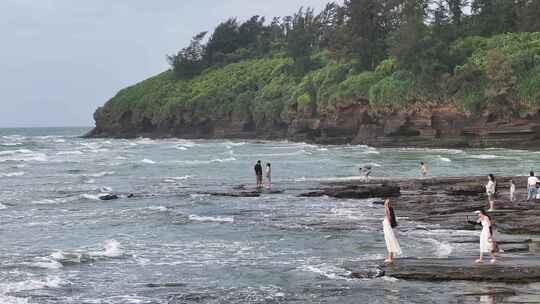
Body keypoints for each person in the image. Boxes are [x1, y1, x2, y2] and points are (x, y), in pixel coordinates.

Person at [383, 199, 402, 264]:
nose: (385, 204)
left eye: (386, 203)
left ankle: (390, 258)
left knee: (389, 242)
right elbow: (391, 218)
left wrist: (388, 225)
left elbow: (389, 218)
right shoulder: (391, 209)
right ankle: (390, 257)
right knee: (391, 241)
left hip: (388, 228)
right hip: (389, 228)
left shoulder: (387, 209)